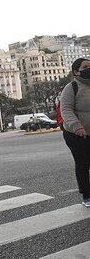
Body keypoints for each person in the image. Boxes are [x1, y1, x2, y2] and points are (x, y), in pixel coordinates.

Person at [60, 58, 90, 207]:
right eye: (85, 67)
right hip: (75, 134)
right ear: (76, 71)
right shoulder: (71, 87)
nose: (88, 69)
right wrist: (77, 126)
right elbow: (65, 109)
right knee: (83, 163)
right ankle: (87, 196)